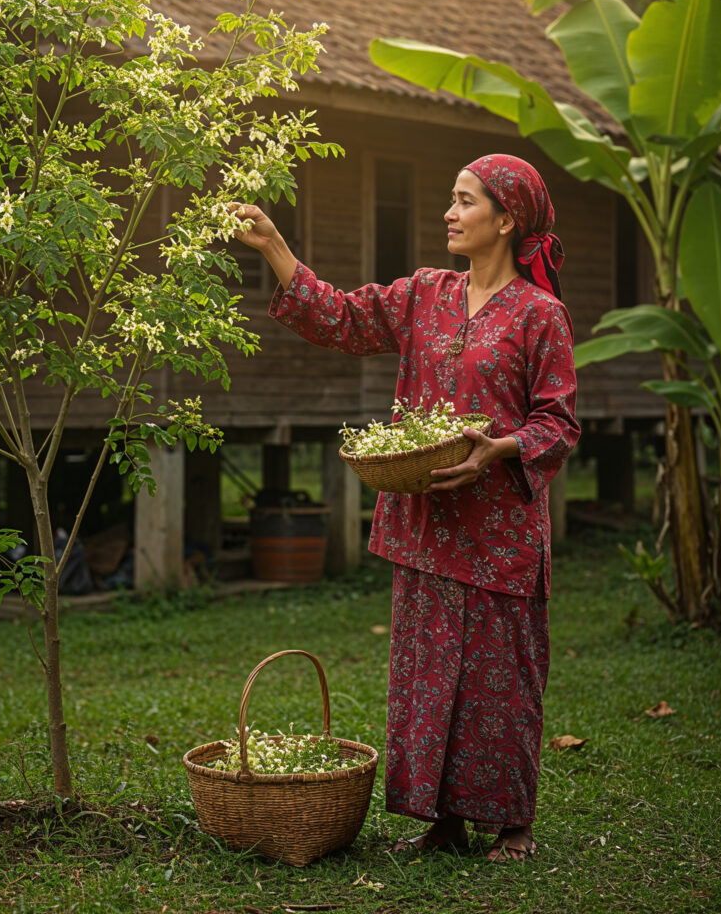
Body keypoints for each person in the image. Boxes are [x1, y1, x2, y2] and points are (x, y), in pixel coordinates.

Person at [232, 154, 580, 862]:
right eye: (450, 200)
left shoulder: (542, 315)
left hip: (500, 532)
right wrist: (274, 245)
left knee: (501, 681)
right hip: (424, 527)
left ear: (506, 219)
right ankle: (442, 819)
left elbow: (560, 423)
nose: (449, 213)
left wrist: (497, 449)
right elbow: (340, 318)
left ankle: (511, 823)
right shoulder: (425, 292)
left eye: (464, 201)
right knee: (427, 679)